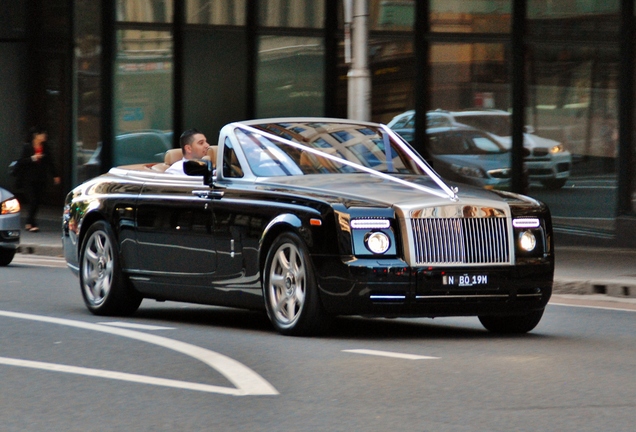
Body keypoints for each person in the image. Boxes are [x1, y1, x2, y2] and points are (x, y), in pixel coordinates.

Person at [18, 126, 61, 232]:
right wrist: (33, 158)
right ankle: (29, 223)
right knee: (33, 200)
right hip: (28, 179)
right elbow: (21, 162)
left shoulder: (45, 147)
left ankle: (31, 222)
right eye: (42, 134)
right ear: (36, 135)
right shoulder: (27, 147)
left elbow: (50, 162)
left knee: (37, 201)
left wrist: (55, 175)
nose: (44, 136)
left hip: (40, 178)